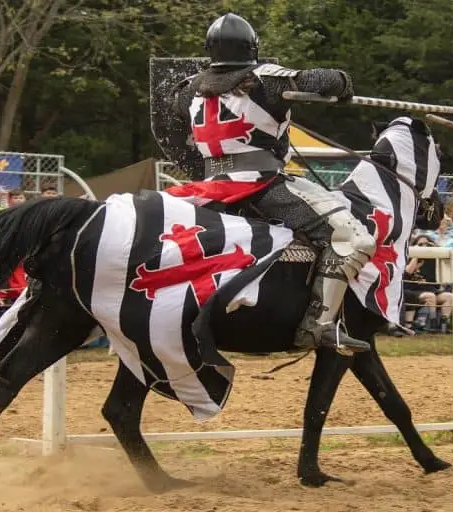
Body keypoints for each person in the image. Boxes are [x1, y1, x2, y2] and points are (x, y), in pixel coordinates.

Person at [157, 13, 375, 353]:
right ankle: (319, 327)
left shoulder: (188, 90)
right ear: (252, 48)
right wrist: (344, 87)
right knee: (353, 237)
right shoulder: (265, 80)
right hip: (261, 184)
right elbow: (328, 80)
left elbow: (176, 118)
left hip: (209, 186)